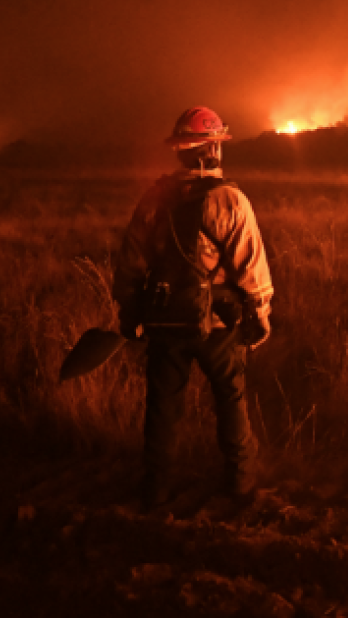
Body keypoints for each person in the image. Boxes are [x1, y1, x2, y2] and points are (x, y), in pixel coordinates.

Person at [112, 106, 274, 509]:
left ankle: (156, 487)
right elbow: (252, 269)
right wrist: (260, 316)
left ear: (181, 151)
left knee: (162, 405)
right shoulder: (230, 200)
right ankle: (240, 483)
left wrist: (130, 313)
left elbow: (130, 264)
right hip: (219, 324)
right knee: (230, 398)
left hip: (164, 319)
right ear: (213, 149)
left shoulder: (153, 199)